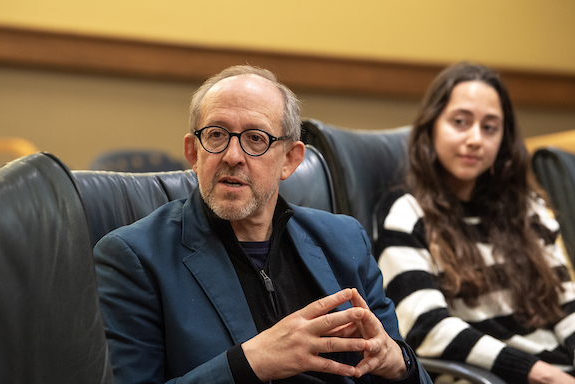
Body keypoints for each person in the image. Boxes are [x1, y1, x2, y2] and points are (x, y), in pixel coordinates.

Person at [94, 65, 431, 384]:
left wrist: (399, 364)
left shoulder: (344, 241)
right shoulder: (134, 258)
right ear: (194, 154)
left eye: (255, 138)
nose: (232, 155)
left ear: (290, 159)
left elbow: (398, 365)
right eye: (216, 134)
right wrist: (250, 362)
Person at [373, 62, 575, 384]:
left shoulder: (527, 208)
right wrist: (540, 374)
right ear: (431, 128)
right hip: (488, 376)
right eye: (460, 122)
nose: (475, 139)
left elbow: (567, 306)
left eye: (490, 127)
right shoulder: (406, 212)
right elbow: (427, 328)